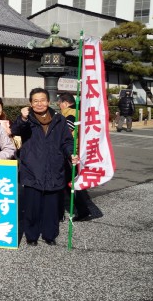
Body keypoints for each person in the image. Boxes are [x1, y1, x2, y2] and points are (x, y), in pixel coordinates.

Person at [11, 88, 78, 246]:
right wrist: (23, 117)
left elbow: (67, 142)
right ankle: (32, 236)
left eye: (42, 100)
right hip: (31, 170)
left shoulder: (59, 120)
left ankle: (50, 234)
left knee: (51, 207)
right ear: (30, 103)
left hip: (54, 169)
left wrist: (70, 154)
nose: (39, 103)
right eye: (35, 101)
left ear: (49, 102)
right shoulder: (27, 119)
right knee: (32, 207)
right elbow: (15, 130)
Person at [58, 93, 92, 222]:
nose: (59, 106)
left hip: (70, 153)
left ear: (65, 103)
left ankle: (79, 211)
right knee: (70, 183)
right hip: (78, 151)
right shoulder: (79, 112)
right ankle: (82, 210)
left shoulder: (71, 113)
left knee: (66, 182)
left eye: (59, 103)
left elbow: (67, 129)